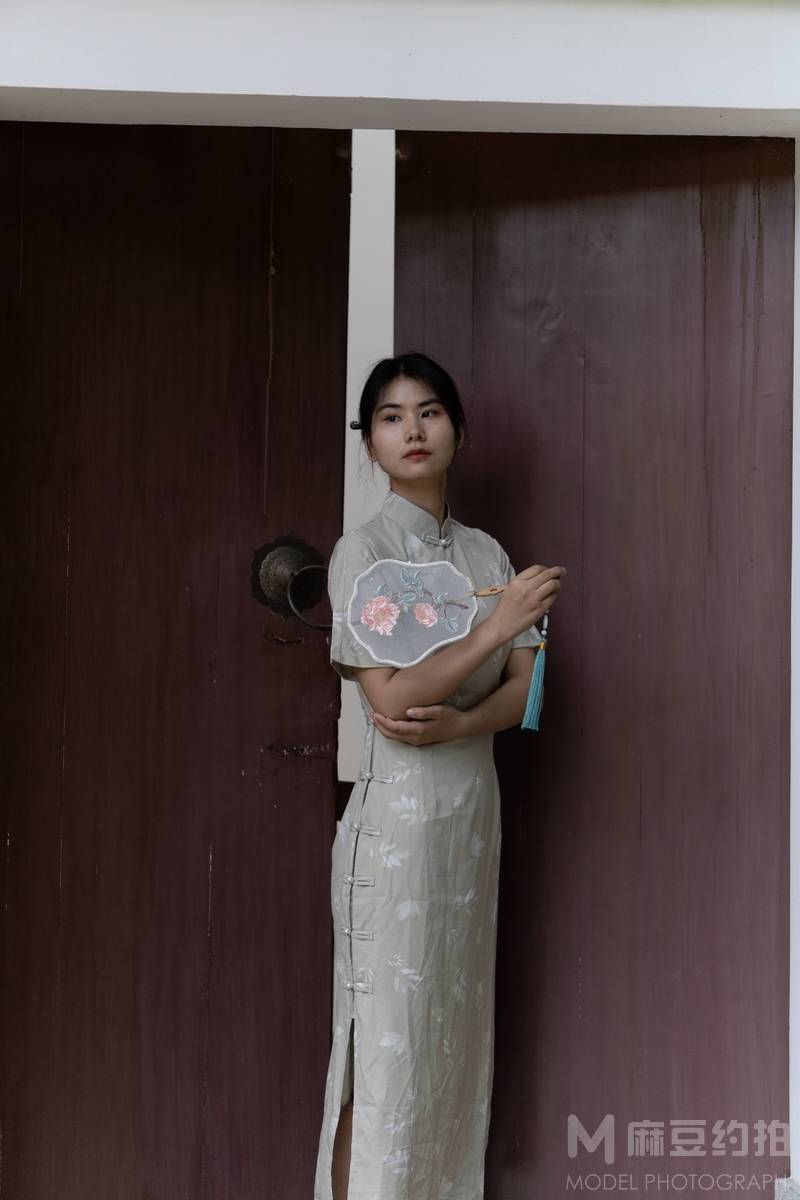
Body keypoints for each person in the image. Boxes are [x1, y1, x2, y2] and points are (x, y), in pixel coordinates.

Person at [314, 352, 566, 1200]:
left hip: (469, 827)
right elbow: (392, 698)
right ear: (370, 442)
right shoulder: (362, 551)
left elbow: (526, 695)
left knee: (448, 1052)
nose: (412, 430)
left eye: (429, 412)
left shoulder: (488, 552)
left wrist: (463, 721)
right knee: (382, 1054)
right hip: (396, 836)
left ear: (458, 429)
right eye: (390, 417)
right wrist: (496, 627)